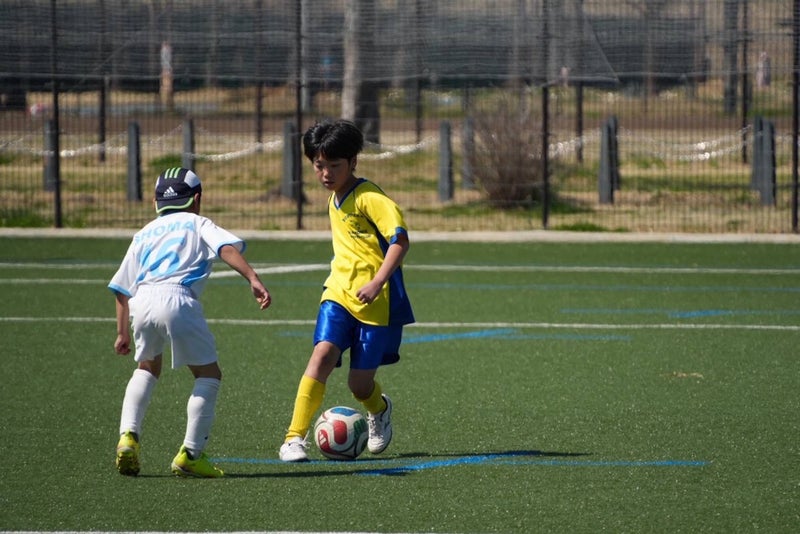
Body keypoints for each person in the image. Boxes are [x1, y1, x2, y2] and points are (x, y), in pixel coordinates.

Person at [108, 167, 271, 477]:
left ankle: (128, 436)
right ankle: (191, 454)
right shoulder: (198, 223)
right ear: (197, 199)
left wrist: (121, 332)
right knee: (208, 374)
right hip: (178, 299)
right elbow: (225, 248)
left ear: (156, 203)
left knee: (146, 368)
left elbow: (121, 288)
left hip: (142, 302)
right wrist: (252, 277)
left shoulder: (144, 233)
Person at [279, 119, 415, 462]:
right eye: (319, 165)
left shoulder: (371, 198)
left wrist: (377, 281)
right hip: (338, 294)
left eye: (334, 166)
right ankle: (294, 438)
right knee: (322, 354)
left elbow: (400, 241)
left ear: (353, 162)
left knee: (359, 385)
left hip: (375, 302)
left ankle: (379, 408)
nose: (326, 173)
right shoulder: (333, 198)